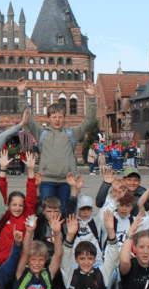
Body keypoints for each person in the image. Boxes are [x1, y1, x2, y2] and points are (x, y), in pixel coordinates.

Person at [19, 77, 97, 211]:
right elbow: (27, 118)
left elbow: (89, 122)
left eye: (60, 117)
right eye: (54, 117)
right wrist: (21, 94)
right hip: (46, 181)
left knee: (65, 213)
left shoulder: (72, 133)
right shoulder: (41, 132)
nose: (57, 120)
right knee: (47, 213)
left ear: (65, 118)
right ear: (48, 118)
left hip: (67, 181)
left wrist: (92, 98)